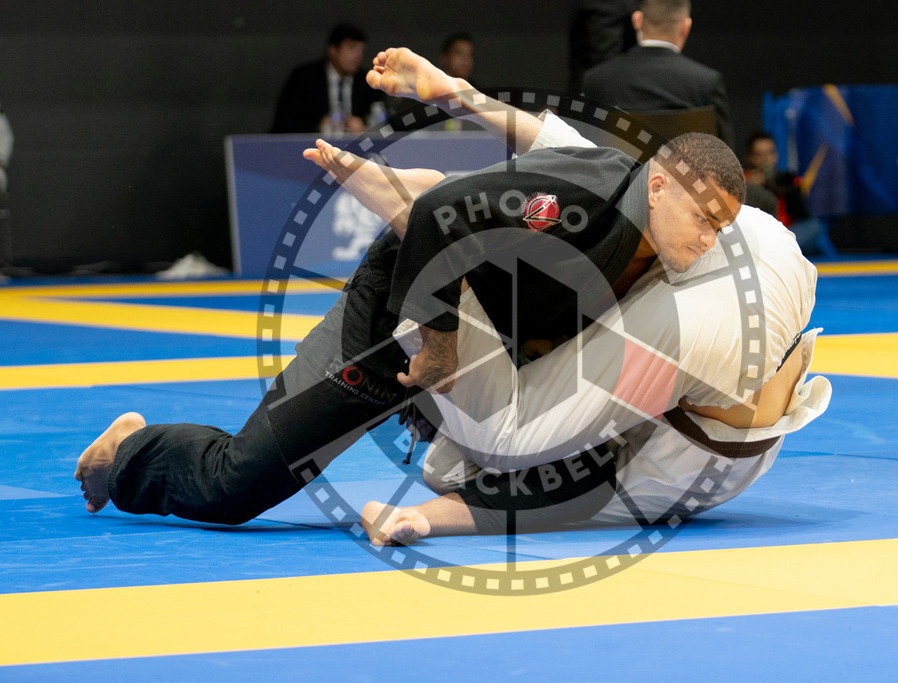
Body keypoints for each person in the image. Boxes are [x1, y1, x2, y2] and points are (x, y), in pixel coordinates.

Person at [73, 48, 745, 526]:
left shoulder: (667, 242)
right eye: (704, 216)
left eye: (723, 225)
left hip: (479, 337)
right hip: (396, 319)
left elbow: (539, 131)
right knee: (235, 484)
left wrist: (452, 89)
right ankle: (128, 449)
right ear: (659, 184)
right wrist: (440, 349)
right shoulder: (582, 200)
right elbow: (442, 218)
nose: (710, 235)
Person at [360, 114, 826, 546]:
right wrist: (463, 98)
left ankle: (439, 220)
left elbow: (555, 490)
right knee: (490, 444)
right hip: (755, 274)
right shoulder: (632, 446)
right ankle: (443, 213)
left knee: (491, 448)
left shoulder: (615, 461)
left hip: (763, 286)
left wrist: (423, 517)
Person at [580, 0, 734, 148]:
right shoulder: (707, 83)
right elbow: (727, 161)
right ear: (686, 26)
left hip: (620, 174)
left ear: (637, 20)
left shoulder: (596, 81)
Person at [270, 23, 384, 135]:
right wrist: (317, 127)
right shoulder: (304, 78)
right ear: (333, 50)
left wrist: (364, 126)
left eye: (361, 51)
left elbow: (385, 122)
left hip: (356, 149)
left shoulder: (368, 80)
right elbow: (283, 123)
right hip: (311, 146)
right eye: (351, 48)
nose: (358, 56)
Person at [744, 131, 824, 255]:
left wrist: (777, 187)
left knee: (814, 227)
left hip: (786, 235)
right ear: (750, 158)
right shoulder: (743, 181)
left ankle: (778, 251)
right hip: (756, 237)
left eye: (770, 153)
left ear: (776, 155)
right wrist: (751, 188)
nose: (766, 160)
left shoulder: (787, 179)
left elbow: (803, 215)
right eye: (760, 155)